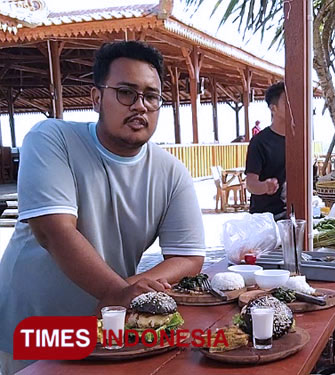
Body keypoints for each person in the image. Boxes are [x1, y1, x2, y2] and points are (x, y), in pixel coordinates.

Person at [0, 41, 206, 374]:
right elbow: (53, 231)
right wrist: (120, 291)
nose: (140, 106)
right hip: (32, 330)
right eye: (126, 92)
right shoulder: (51, 138)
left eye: (151, 96)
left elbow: (189, 256)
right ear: (97, 98)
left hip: (109, 333)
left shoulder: (171, 172)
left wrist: (138, 287)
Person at [245, 82, 287, 218]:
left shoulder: (299, 140)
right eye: (287, 102)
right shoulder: (260, 142)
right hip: (266, 218)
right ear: (273, 108)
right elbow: (250, 184)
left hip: (293, 215)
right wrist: (265, 186)